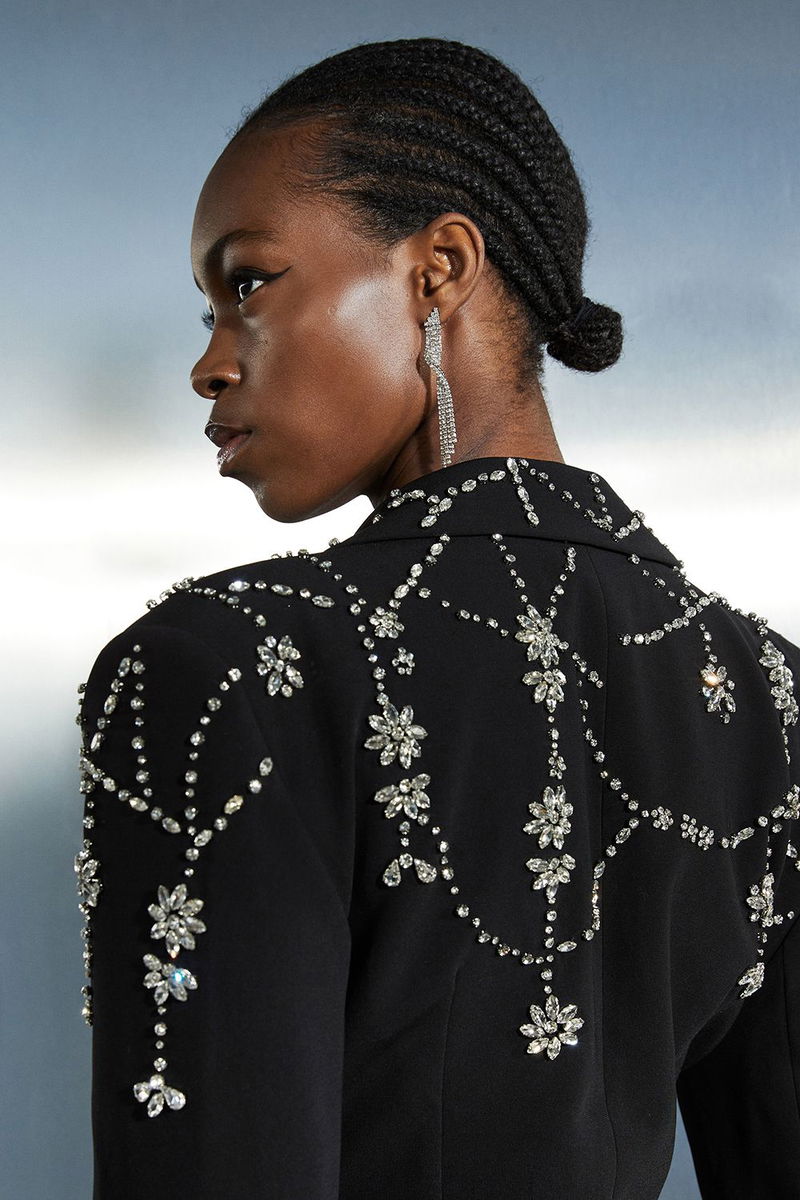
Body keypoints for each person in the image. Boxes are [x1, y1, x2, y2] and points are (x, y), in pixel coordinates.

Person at [74, 36, 800, 1200]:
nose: (207, 365)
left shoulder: (223, 669)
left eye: (246, 284)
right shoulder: (766, 690)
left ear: (437, 269)